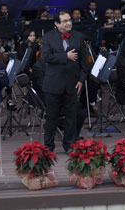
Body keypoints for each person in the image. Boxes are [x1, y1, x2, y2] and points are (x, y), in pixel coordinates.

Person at [41, 10, 88, 153]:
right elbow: (46, 57)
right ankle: (48, 147)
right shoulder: (48, 37)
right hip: (53, 84)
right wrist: (65, 56)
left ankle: (69, 145)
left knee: (71, 117)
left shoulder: (78, 37)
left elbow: (84, 63)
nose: (69, 23)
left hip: (72, 83)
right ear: (57, 24)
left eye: (69, 20)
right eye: (65, 21)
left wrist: (81, 80)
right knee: (51, 118)